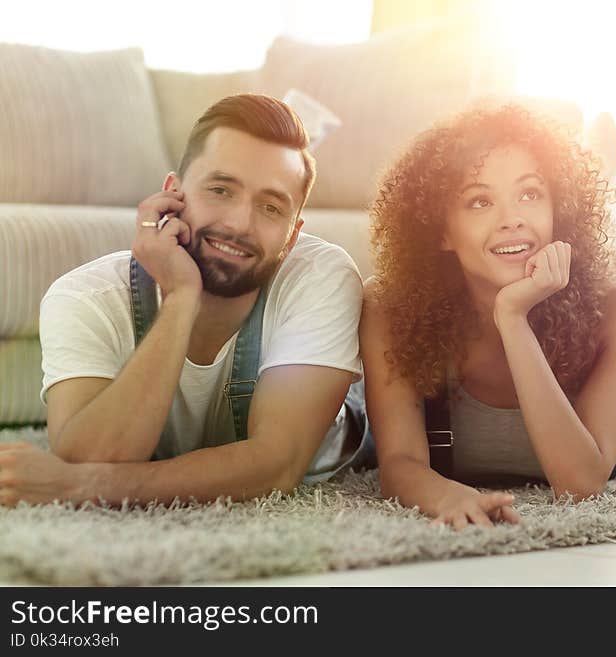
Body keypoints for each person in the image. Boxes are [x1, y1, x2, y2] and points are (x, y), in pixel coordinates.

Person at [0, 94, 371, 508]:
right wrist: (180, 299)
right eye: (220, 189)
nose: (238, 224)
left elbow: (277, 465)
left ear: (293, 232)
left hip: (347, 442)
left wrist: (81, 487)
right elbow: (91, 457)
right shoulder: (84, 297)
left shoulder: (321, 275)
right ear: (172, 194)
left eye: (270, 207)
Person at [360, 103, 616, 530]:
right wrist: (448, 495)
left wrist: (512, 316)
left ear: (558, 208)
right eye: (479, 201)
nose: (512, 220)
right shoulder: (388, 306)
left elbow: (580, 484)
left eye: (530, 194)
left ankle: (597, 161)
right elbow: (400, 463)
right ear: (440, 230)